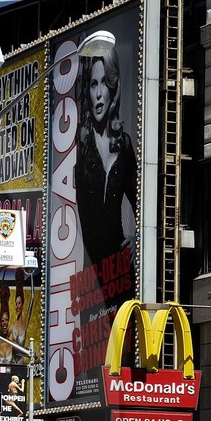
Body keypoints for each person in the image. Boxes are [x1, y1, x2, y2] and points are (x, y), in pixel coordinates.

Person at [74, 43, 138, 269]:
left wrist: (138, 238)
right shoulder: (79, 142)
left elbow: (144, 205)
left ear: (113, 86)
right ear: (88, 91)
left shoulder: (123, 144)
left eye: (104, 82)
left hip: (119, 270)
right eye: (93, 84)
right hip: (88, 276)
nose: (99, 94)